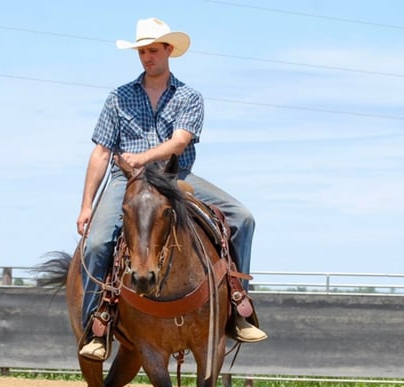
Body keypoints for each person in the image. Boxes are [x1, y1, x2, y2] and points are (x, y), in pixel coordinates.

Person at [76, 17, 267, 361]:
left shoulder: (189, 96)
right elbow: (101, 151)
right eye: (142, 51)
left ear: (168, 51)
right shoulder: (118, 97)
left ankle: (239, 304)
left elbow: (179, 143)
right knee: (97, 242)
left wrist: (142, 158)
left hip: (177, 178)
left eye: (153, 50)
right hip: (126, 181)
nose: (147, 57)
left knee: (243, 217)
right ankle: (96, 324)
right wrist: (87, 204)